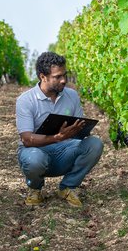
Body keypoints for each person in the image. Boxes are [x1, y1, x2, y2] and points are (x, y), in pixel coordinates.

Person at [15, 51, 103, 207]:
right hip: (37, 151)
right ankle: (35, 189)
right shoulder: (26, 100)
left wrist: (80, 129)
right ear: (43, 77)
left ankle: (67, 186)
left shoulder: (72, 95)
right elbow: (27, 140)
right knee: (34, 159)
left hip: (64, 152)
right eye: (57, 77)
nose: (63, 80)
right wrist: (57, 137)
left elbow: (79, 128)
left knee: (95, 144)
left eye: (65, 75)